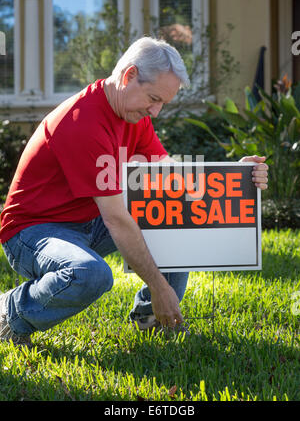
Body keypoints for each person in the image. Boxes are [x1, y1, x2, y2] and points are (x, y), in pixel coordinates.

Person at [0, 37, 268, 346]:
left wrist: (237, 173)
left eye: (162, 104)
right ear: (128, 76)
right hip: (32, 232)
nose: (155, 112)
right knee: (91, 274)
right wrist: (159, 286)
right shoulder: (81, 122)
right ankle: (12, 313)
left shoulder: (132, 115)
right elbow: (116, 219)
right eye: (154, 99)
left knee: (176, 212)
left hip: (90, 221)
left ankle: (151, 319)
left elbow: (170, 177)